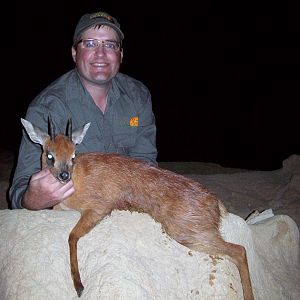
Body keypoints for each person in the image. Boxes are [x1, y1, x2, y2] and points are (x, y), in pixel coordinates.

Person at [9, 10, 157, 210]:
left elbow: (145, 163)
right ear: (74, 52)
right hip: (78, 207)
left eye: (110, 45)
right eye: (90, 43)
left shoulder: (138, 95)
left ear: (120, 54)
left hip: (125, 200)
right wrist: (32, 198)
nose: (101, 53)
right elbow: (21, 189)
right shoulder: (47, 107)